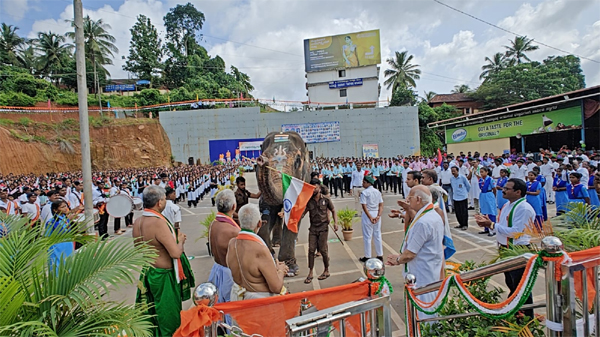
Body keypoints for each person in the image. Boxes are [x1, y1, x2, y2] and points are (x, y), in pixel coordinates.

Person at [133, 185, 194, 337]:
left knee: (153, 317)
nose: (166, 202)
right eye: (165, 199)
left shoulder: (138, 222)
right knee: (169, 320)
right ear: (159, 203)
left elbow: (139, 249)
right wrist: (180, 240)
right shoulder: (157, 223)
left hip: (148, 272)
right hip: (163, 276)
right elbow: (175, 253)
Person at [475, 178, 535, 319]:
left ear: (518, 192)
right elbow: (503, 227)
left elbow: (516, 231)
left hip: (518, 250)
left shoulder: (524, 208)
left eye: (507, 188)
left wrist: (491, 225)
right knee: (511, 283)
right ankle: (515, 314)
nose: (503, 190)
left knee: (521, 287)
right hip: (506, 249)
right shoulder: (508, 205)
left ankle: (526, 319)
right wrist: (489, 223)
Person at [386, 186, 445, 320]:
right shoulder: (431, 215)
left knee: (423, 314)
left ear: (418, 199)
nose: (408, 201)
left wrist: (397, 259)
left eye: (410, 198)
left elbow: (410, 254)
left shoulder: (423, 222)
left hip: (421, 276)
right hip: (430, 271)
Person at [227, 204, 289, 300]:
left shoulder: (232, 244)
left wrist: (273, 268)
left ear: (239, 222)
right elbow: (276, 287)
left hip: (238, 300)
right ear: (259, 223)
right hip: (258, 302)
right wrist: (281, 270)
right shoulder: (260, 249)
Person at [208, 190, 239, 323]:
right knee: (230, 309)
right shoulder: (232, 230)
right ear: (233, 207)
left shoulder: (213, 224)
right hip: (229, 273)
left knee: (219, 306)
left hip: (217, 268)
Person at [302, 179, 338, 283]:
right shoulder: (309, 200)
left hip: (323, 228)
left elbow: (333, 210)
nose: (314, 190)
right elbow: (304, 212)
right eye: (312, 187)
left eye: (315, 187)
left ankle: (326, 270)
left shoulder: (325, 199)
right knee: (311, 250)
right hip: (313, 228)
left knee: (323, 250)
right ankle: (311, 272)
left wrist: (335, 223)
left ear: (319, 188)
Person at [359, 175, 384, 263]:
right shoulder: (377, 192)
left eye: (364, 182)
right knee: (377, 234)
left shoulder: (364, 193)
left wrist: (370, 217)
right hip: (376, 212)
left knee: (367, 236)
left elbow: (364, 206)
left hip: (368, 214)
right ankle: (380, 254)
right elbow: (381, 205)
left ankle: (368, 256)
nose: (363, 184)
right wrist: (378, 216)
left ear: (368, 183)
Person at [45, 200, 76, 270]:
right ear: (55, 210)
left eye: (65, 206)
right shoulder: (51, 222)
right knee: (58, 265)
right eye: (62, 207)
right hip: (57, 246)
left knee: (69, 262)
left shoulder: (66, 219)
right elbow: (47, 236)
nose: (65, 208)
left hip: (68, 244)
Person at [478, 167, 497, 236]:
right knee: (484, 211)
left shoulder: (490, 179)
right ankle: (486, 228)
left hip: (489, 194)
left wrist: (493, 196)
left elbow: (494, 188)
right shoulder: (480, 180)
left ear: (487, 172)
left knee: (491, 211)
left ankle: (493, 229)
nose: (481, 173)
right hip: (482, 195)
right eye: (480, 172)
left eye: (482, 171)